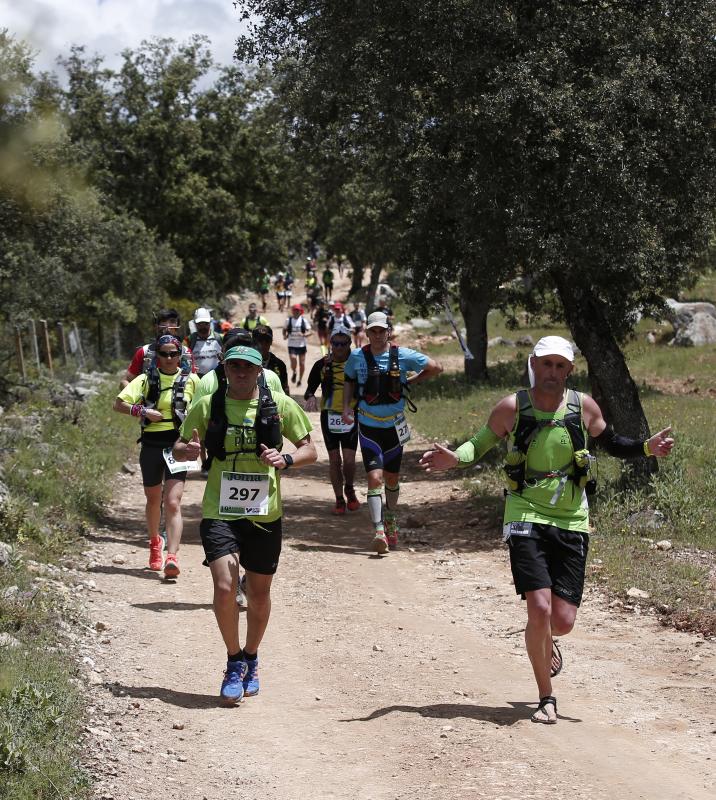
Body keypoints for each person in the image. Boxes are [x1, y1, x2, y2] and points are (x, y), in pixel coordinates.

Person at [418, 335, 674, 724]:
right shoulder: (512, 408)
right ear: (533, 365)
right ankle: (545, 696)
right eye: (546, 364)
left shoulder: (582, 407)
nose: (552, 372)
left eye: (560, 366)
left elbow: (611, 442)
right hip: (524, 512)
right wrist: (455, 459)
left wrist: (645, 448)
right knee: (538, 608)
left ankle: (545, 637)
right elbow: (479, 443)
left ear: (569, 371)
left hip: (572, 517)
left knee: (562, 621)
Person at [173, 344, 317, 705]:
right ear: (225, 369)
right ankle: (234, 660)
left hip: (264, 513)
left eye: (247, 367)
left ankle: (252, 656)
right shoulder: (208, 404)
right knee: (224, 587)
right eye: (234, 366)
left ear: (259, 371)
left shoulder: (279, 405)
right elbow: (178, 446)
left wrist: (285, 458)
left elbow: (310, 449)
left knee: (258, 593)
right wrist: (186, 451)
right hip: (219, 510)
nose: (240, 373)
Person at [342, 311, 443, 553]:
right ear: (367, 333)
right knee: (374, 477)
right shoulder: (357, 357)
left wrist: (412, 381)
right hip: (368, 426)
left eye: (381, 330)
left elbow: (436, 367)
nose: (377, 335)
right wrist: (346, 407)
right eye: (372, 331)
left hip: (395, 427)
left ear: (389, 331)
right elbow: (349, 380)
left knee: (392, 478)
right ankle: (378, 531)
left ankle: (390, 518)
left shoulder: (403, 355)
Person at [114, 334, 201, 577]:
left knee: (173, 502)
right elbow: (118, 403)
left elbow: (204, 408)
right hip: (151, 444)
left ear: (181, 355)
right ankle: (155, 544)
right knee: (154, 500)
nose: (170, 358)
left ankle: (172, 557)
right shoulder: (145, 379)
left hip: (178, 445)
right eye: (164, 353)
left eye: (174, 353)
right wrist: (142, 411)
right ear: (157, 356)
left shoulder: (192, 380)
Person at [304, 325, 360, 515]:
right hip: (329, 416)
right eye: (335, 343)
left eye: (343, 343)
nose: (339, 347)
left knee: (350, 461)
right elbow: (310, 388)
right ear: (330, 343)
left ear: (349, 343)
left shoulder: (357, 362)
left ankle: (350, 488)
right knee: (335, 460)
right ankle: (338, 498)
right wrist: (310, 396)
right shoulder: (323, 364)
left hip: (351, 414)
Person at [120, 308, 193, 388]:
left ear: (178, 327)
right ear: (156, 327)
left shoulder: (186, 353)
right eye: (163, 322)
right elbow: (125, 381)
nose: (167, 326)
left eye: (172, 322)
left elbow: (193, 383)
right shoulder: (144, 352)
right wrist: (132, 396)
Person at [184, 307, 223, 378]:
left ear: (210, 322)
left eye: (206, 323)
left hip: (217, 377)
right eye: (200, 324)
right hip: (197, 379)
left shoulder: (220, 338)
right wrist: (189, 367)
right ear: (195, 324)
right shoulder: (188, 340)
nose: (203, 327)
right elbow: (182, 359)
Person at [253, 325, 290, 395]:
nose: (263, 344)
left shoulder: (279, 364)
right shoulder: (246, 363)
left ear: (271, 342)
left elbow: (285, 388)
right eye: (260, 341)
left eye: (267, 341)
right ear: (253, 342)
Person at [283, 303, 313, 386]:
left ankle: (300, 379)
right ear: (292, 311)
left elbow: (310, 331)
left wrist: (304, 335)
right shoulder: (288, 320)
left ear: (300, 311)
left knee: (302, 363)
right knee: (293, 359)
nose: (296, 311)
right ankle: (294, 371)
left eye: (297, 310)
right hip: (291, 344)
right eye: (295, 310)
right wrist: (284, 335)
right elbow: (284, 329)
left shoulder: (304, 320)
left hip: (301, 345)